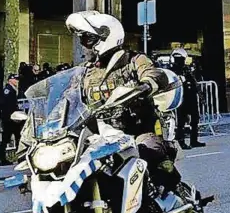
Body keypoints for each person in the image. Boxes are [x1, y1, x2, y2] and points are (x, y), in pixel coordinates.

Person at [67, 11, 185, 196]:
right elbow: (68, 96)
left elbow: (152, 72)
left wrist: (147, 83)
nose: (83, 45)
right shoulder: (84, 72)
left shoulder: (133, 60)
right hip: (99, 136)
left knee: (150, 150)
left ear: (106, 37)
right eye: (81, 40)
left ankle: (172, 194)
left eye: (87, 39)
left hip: (135, 130)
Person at [170, 49, 205, 147]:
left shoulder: (187, 69)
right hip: (182, 98)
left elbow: (194, 83)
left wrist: (201, 95)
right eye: (178, 58)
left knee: (195, 120)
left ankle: (194, 141)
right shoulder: (173, 71)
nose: (180, 60)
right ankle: (181, 142)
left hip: (191, 97)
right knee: (181, 122)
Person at [0, 73, 22, 164]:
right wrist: (10, 115)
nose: (17, 81)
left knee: (18, 137)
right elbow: (5, 104)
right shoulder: (8, 90)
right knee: (6, 139)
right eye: (15, 79)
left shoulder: (13, 89)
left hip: (14, 118)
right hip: (9, 118)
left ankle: (20, 157)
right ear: (10, 80)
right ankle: (3, 158)